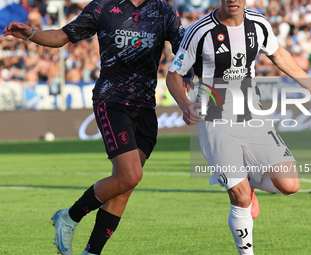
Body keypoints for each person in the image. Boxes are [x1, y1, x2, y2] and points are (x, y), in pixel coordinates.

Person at [3, 0, 187, 254]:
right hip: (111, 101)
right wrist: (32, 34)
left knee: (125, 185)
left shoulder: (164, 11)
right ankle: (69, 217)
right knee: (130, 175)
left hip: (145, 107)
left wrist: (189, 74)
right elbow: (64, 35)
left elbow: (185, 48)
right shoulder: (104, 6)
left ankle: (92, 251)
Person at [166, 0, 311, 254]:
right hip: (215, 119)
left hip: (252, 115)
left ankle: (250, 180)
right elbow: (174, 74)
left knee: (290, 185)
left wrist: (307, 82)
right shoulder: (200, 31)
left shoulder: (258, 24)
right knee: (240, 196)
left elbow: (277, 54)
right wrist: (184, 104)